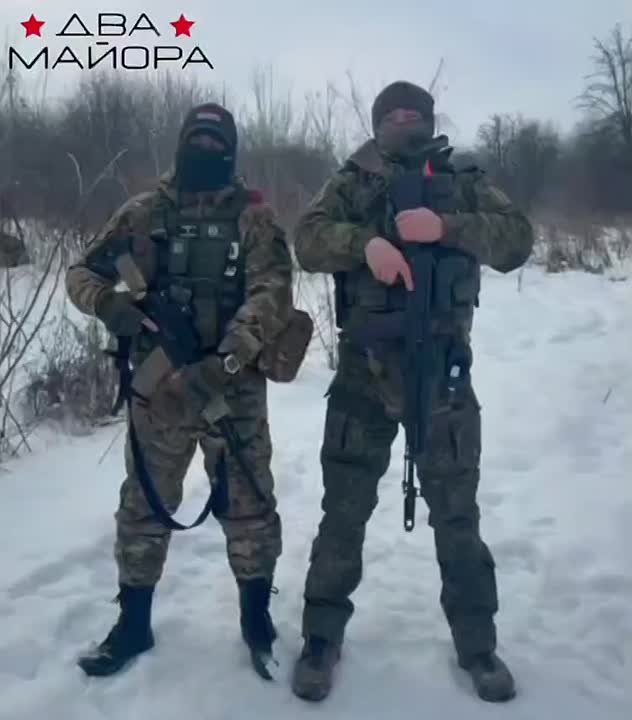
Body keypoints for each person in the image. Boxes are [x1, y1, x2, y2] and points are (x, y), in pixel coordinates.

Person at [290, 81, 534, 703]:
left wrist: (444, 226)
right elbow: (307, 239)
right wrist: (364, 243)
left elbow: (517, 240)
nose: (405, 122)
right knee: (343, 514)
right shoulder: (352, 182)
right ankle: (321, 639)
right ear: (377, 124)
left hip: (443, 376)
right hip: (363, 377)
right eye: (394, 115)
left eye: (415, 114)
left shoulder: (462, 179)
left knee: (457, 517)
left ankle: (477, 646)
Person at [66, 102, 296, 679]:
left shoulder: (254, 219)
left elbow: (272, 294)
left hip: (232, 389)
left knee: (250, 506)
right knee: (144, 506)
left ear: (232, 151)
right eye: (198, 139)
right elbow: (81, 272)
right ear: (181, 144)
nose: (207, 150)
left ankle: (256, 618)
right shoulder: (143, 213)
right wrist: (109, 304)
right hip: (159, 386)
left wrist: (226, 359)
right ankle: (133, 624)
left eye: (218, 143)